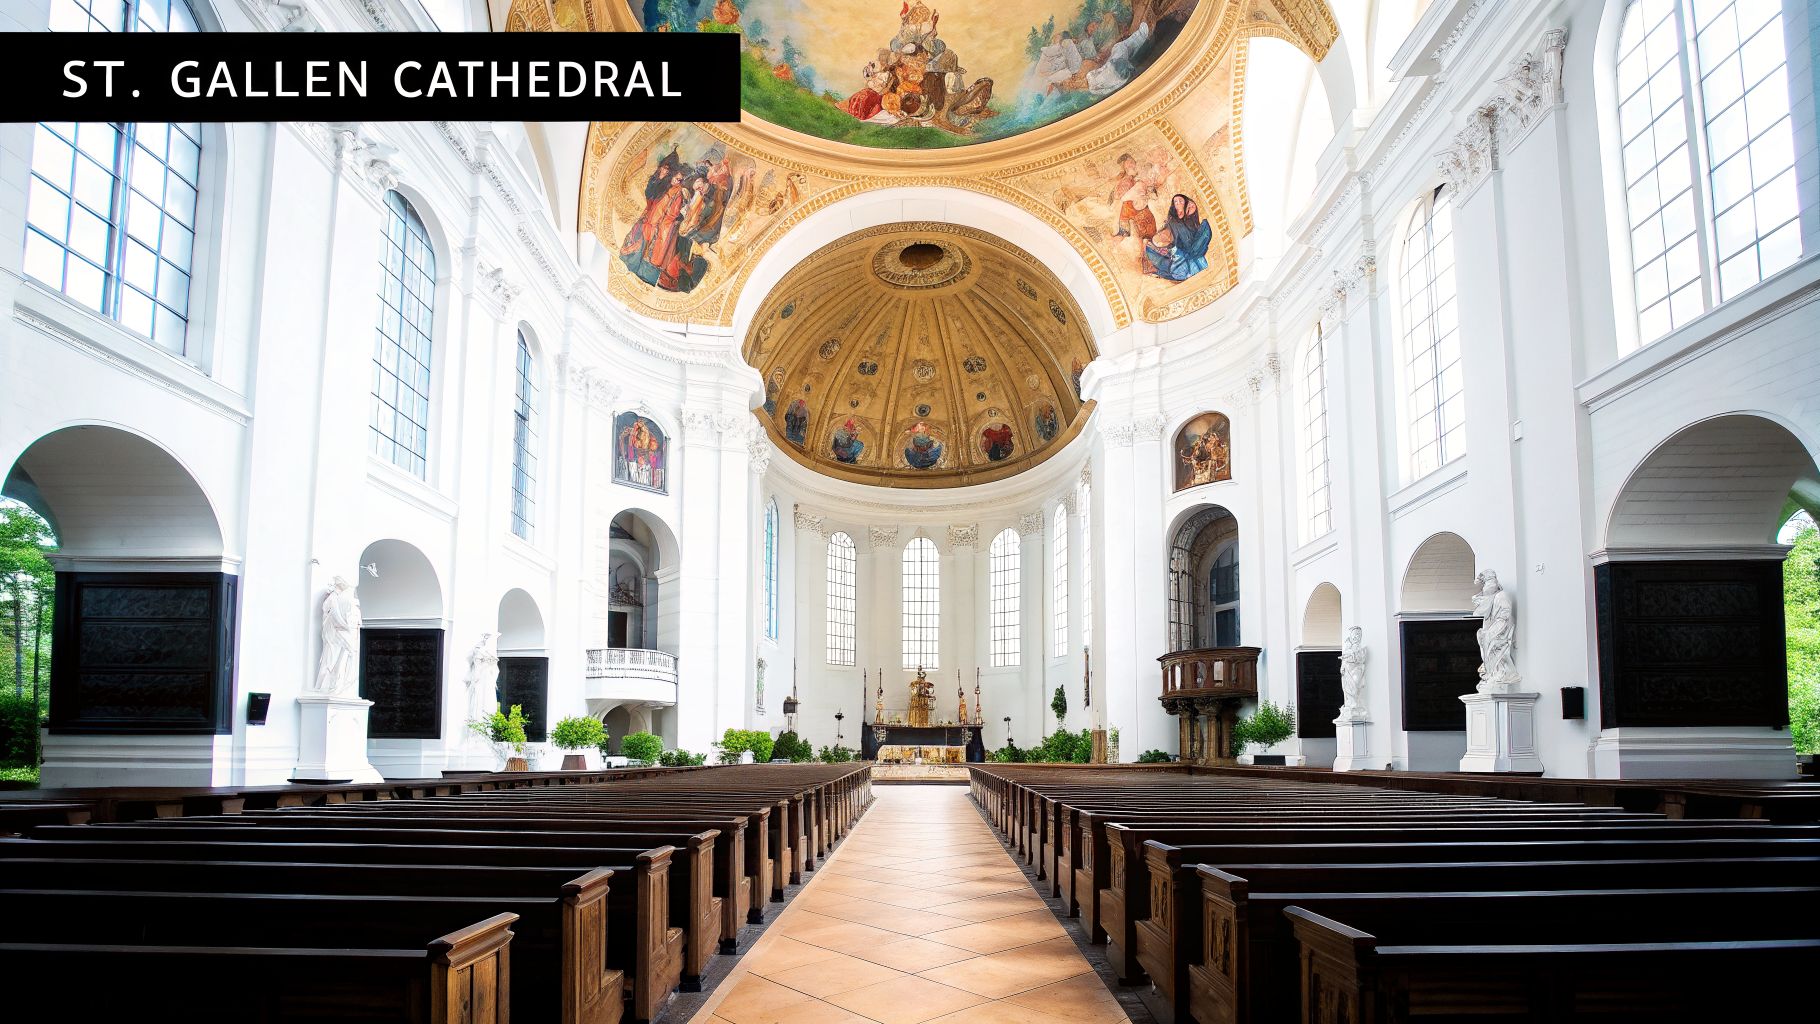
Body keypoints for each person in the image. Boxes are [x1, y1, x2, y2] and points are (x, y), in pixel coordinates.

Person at [1145, 194, 1211, 281]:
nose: (1191, 206)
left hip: (1189, 252)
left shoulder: (1194, 224)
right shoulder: (1173, 222)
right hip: (1183, 254)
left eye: (1181, 201)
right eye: (1176, 202)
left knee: (1205, 226)